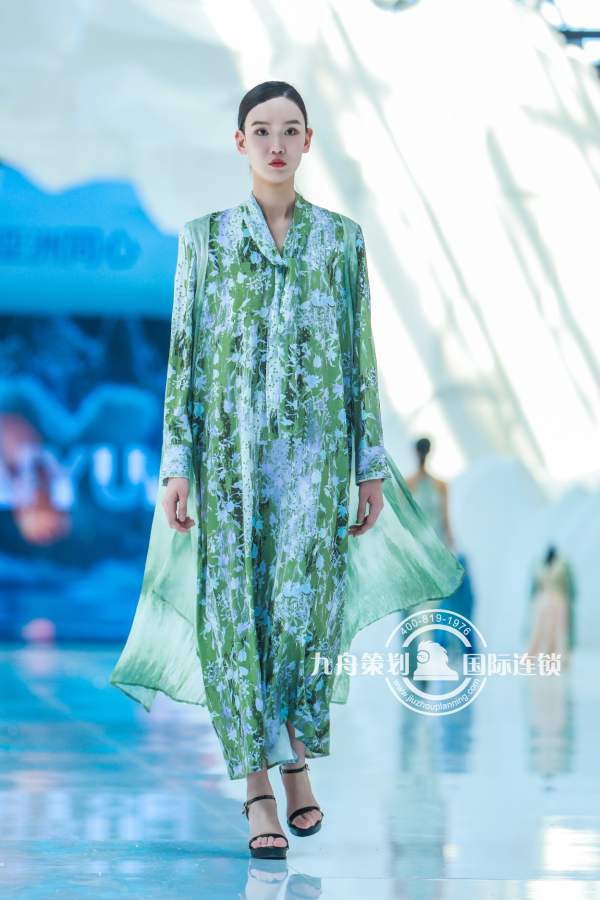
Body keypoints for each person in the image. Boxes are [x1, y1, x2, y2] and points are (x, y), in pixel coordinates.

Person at [110, 81, 464, 860]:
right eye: (262, 130)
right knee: (234, 620)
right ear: (240, 141)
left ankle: (295, 755)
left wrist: (368, 467)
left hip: (314, 464)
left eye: (291, 130)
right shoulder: (203, 241)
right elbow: (184, 360)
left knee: (302, 623)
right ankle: (260, 789)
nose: (276, 144)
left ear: (308, 141)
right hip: (228, 465)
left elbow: (360, 358)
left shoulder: (342, 241)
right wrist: (177, 466)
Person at [406, 437, 475, 657]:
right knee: (418, 601)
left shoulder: (440, 485)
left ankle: (429, 648)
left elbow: (446, 520)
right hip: (417, 551)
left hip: (435, 551)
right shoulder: (409, 483)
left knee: (434, 603)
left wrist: (450, 549)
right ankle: (422, 649)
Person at [527, 545, 576, 668]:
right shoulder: (538, 564)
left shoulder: (564, 565)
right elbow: (534, 586)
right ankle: (535, 657)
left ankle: (557, 659)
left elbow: (570, 586)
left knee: (558, 630)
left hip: (558, 600)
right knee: (539, 630)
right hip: (542, 601)